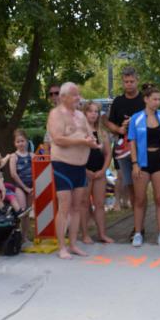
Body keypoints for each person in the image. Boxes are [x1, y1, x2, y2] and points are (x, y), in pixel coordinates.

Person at [46, 82, 98, 259]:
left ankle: (73, 244)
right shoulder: (56, 114)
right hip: (63, 165)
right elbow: (58, 139)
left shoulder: (80, 115)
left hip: (80, 166)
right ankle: (62, 247)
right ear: (63, 97)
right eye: (75, 95)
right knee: (65, 206)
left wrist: (92, 142)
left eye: (78, 94)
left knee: (77, 206)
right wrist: (81, 141)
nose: (78, 98)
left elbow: (88, 134)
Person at [128, 83, 160, 247]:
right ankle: (138, 233)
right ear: (146, 99)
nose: (157, 102)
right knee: (139, 200)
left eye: (159, 99)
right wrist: (134, 163)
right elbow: (132, 142)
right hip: (142, 163)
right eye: (154, 99)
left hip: (159, 162)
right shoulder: (136, 118)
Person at [106, 67, 144, 214]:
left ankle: (139, 217)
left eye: (131, 81)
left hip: (141, 147)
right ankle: (132, 214)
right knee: (126, 180)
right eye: (126, 81)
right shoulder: (118, 101)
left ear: (137, 81)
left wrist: (135, 124)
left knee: (140, 184)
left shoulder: (144, 100)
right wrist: (119, 129)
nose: (129, 84)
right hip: (122, 147)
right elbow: (109, 123)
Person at [81, 101, 114, 244]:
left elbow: (108, 154)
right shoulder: (80, 132)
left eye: (96, 111)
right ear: (84, 113)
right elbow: (75, 154)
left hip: (99, 171)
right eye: (90, 111)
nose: (93, 114)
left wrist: (103, 170)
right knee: (84, 203)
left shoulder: (102, 132)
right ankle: (85, 235)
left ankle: (102, 234)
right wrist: (85, 170)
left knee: (100, 204)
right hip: (84, 171)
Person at [8, 129, 34, 236]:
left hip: (31, 187)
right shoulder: (14, 156)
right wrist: (25, 188)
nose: (20, 143)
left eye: (22, 141)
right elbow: (13, 174)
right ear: (15, 143)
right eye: (18, 141)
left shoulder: (32, 155)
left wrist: (33, 187)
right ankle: (18, 235)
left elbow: (38, 170)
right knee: (23, 212)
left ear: (27, 141)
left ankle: (24, 237)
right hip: (20, 187)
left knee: (28, 213)